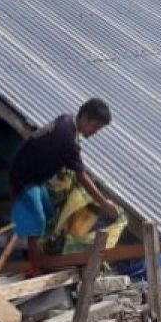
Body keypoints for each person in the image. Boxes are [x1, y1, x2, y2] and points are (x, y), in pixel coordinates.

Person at [9, 98, 119, 274]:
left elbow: (73, 163)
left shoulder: (67, 121)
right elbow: (81, 175)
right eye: (95, 127)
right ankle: (35, 268)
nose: (95, 132)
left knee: (50, 212)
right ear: (85, 117)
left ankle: (37, 249)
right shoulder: (67, 138)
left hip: (36, 179)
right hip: (24, 179)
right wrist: (104, 203)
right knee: (38, 220)